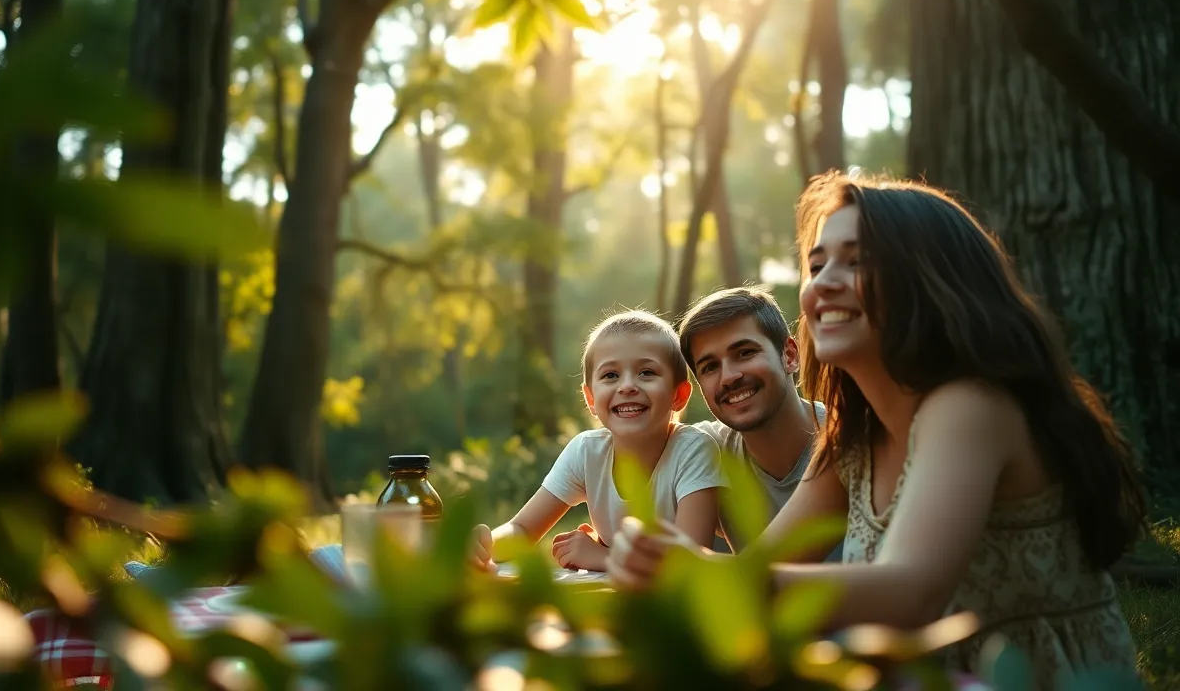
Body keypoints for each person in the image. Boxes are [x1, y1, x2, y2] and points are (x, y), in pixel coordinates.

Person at [607, 172, 1144, 686]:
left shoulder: (969, 407)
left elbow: (911, 593)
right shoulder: (851, 439)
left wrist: (707, 574)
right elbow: (760, 574)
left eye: (858, 261)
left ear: (932, 276)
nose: (825, 284)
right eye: (817, 266)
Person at [470, 310, 725, 573]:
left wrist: (603, 558)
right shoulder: (587, 452)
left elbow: (691, 567)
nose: (627, 386)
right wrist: (484, 546)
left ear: (679, 394)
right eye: (611, 375)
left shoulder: (694, 450)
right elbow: (521, 528)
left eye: (646, 372)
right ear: (591, 399)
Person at [679, 286, 828, 551]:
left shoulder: (850, 436)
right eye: (710, 367)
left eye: (745, 352)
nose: (728, 377)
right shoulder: (706, 451)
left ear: (790, 356)